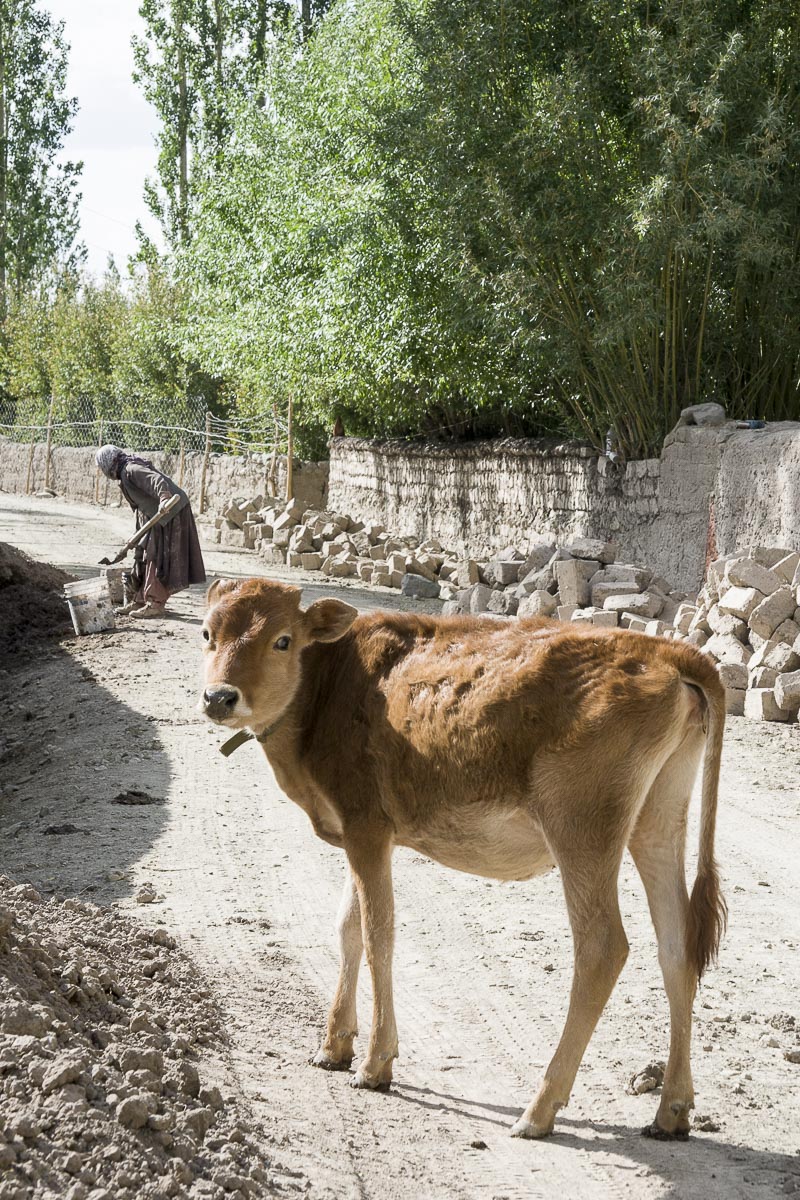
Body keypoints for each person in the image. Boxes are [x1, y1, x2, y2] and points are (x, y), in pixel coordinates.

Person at [95, 444, 206, 618]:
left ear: (107, 464)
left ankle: (155, 603)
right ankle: (139, 600)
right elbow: (140, 508)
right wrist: (137, 535)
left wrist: (164, 499)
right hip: (156, 517)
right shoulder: (124, 473)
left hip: (172, 511)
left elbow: (156, 480)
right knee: (144, 555)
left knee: (157, 557)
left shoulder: (131, 469)